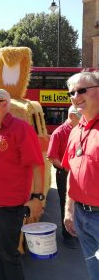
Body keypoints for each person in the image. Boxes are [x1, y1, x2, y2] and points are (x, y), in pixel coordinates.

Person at [0, 89, 44, 280]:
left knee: (9, 254)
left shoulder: (20, 128)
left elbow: (37, 164)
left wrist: (38, 197)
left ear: (5, 104)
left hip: (9, 205)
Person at [62, 71, 99, 280]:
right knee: (94, 271)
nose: (75, 97)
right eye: (71, 93)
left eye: (81, 90)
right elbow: (72, 172)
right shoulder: (76, 130)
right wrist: (69, 209)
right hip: (81, 216)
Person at [47, 105, 81, 249]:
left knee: (80, 205)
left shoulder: (81, 130)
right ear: (72, 116)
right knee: (65, 204)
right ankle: (67, 234)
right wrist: (65, 167)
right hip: (64, 173)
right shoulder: (59, 132)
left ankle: (77, 231)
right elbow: (52, 157)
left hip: (79, 174)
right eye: (80, 116)